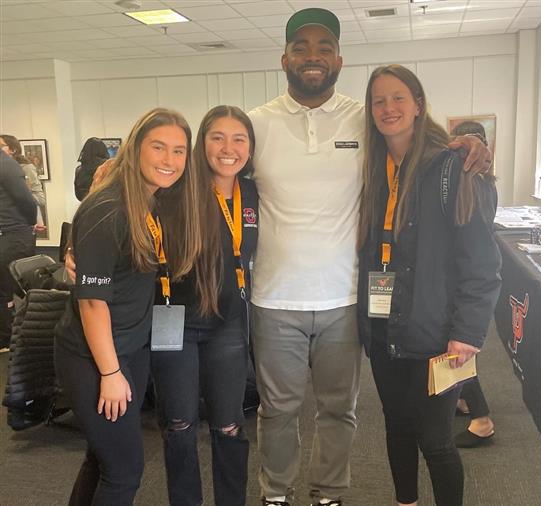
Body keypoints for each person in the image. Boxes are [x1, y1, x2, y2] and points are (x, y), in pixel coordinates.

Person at [247, 8, 493, 506]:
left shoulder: (362, 120)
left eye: (323, 48)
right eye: (301, 47)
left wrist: (469, 145)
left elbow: (420, 143)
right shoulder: (256, 124)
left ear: (339, 59)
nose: (312, 57)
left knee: (343, 411)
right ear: (284, 58)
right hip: (276, 299)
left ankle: (329, 494)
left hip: (348, 298)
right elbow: (211, 165)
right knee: (280, 411)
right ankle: (276, 494)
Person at [357, 64, 502, 505]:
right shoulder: (370, 166)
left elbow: (481, 260)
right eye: (379, 100)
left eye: (398, 97)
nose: (389, 108)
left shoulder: (451, 167)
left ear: (419, 105)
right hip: (383, 325)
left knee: (436, 439)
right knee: (396, 424)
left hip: (438, 332)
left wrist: (468, 333)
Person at [54, 107, 201, 506]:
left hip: (129, 348)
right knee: (123, 474)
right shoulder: (110, 208)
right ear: (136, 148)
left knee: (102, 460)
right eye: (158, 147)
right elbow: (92, 304)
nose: (169, 160)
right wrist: (111, 372)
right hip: (96, 355)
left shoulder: (148, 200)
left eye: (178, 151)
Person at [151, 105, 258, 506]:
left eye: (239, 139)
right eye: (217, 137)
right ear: (202, 143)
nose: (228, 148)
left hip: (228, 323)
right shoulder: (176, 188)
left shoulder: (252, 191)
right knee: (179, 425)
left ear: (250, 146)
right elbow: (125, 211)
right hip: (175, 320)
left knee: (229, 424)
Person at [450, 121, 496, 448]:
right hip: (463, 277)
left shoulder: (471, 184)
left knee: (459, 350)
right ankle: (465, 402)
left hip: (460, 279)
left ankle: (482, 420)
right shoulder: (487, 182)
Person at [0, 149, 37, 351]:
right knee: (8, 289)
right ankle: (7, 336)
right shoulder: (7, 165)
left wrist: (29, 223)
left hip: (12, 235)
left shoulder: (6, 165)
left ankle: (12, 336)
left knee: (15, 287)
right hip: (11, 234)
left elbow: (26, 200)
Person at [0, 134, 46, 208]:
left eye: (1, 146)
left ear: (13, 150)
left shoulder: (26, 168)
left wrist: (18, 196)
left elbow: (41, 199)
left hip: (19, 216)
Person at [74, 137, 110, 201]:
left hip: (86, 206)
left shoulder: (79, 170)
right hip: (104, 205)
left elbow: (78, 194)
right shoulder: (107, 167)